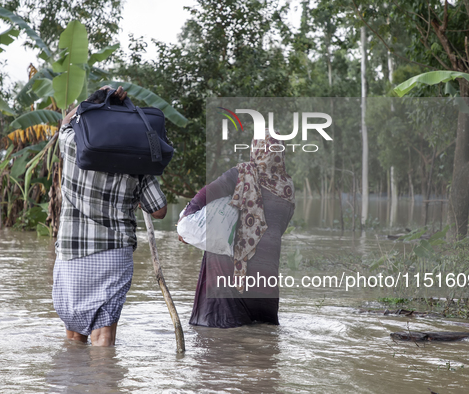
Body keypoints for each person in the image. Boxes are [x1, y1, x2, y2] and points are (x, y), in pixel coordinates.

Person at [52, 86, 168, 346]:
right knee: (103, 337)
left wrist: (93, 99)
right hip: (114, 253)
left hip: (73, 251)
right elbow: (159, 210)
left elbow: (66, 122)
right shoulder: (138, 160)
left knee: (73, 336)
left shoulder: (71, 143)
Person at [179, 134, 295, 327]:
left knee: (222, 337)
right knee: (263, 335)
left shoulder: (242, 174)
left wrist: (186, 220)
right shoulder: (287, 187)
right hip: (266, 272)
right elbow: (280, 226)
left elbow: (205, 195)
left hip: (230, 267)